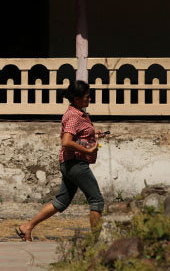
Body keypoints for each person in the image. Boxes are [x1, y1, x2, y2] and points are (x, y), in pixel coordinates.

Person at [16, 80, 106, 241]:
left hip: (70, 163)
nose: (90, 99)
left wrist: (94, 135)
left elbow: (77, 136)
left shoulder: (77, 113)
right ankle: (95, 243)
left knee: (61, 201)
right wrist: (88, 150)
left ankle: (27, 227)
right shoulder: (74, 116)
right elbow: (66, 141)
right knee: (96, 200)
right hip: (76, 164)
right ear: (77, 99)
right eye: (87, 96)